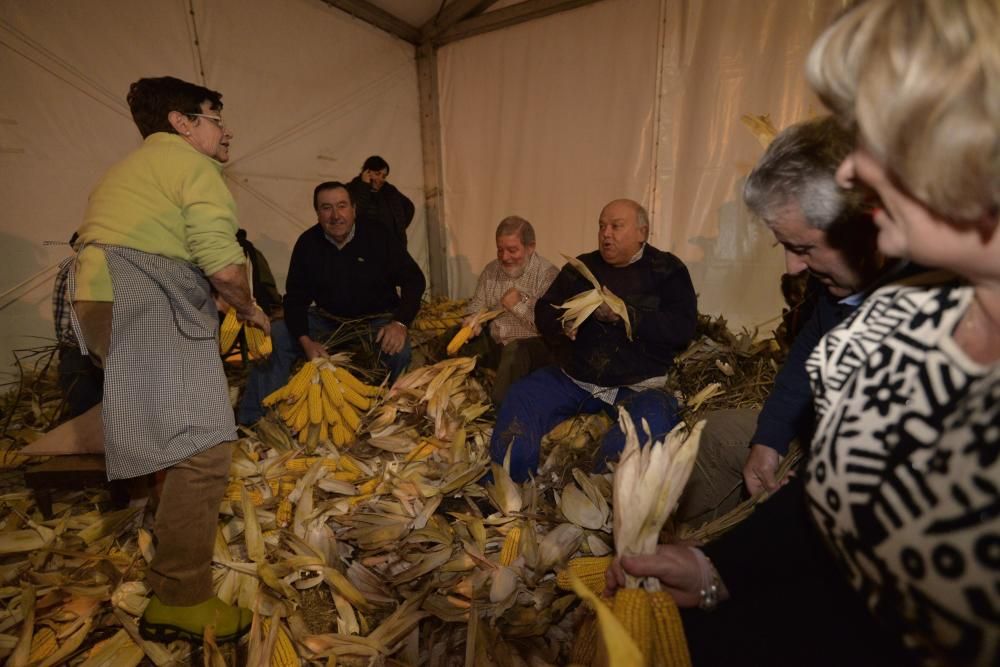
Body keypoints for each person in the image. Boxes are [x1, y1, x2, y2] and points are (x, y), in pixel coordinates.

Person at [609, 1, 1000, 665]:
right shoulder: (884, 328)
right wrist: (711, 571)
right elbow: (826, 517)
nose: (848, 172)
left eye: (874, 134)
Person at [69, 76, 267, 642]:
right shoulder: (192, 166)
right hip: (139, 306)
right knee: (207, 444)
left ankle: (170, 540)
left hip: (103, 298)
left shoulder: (130, 168)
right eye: (212, 116)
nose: (223, 130)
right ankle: (180, 595)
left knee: (175, 435)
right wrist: (250, 310)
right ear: (182, 123)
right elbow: (224, 267)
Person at [675, 116, 892, 525]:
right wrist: (768, 439)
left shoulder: (927, 305)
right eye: (785, 246)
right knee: (712, 434)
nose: (793, 268)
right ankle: (699, 537)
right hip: (827, 433)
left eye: (803, 246)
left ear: (863, 226)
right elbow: (804, 364)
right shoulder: (834, 292)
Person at [490, 198, 697, 482]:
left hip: (638, 385)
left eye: (616, 226)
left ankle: (598, 498)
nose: (606, 233)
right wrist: (564, 323)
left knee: (651, 425)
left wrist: (628, 316)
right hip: (576, 379)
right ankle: (510, 486)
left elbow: (682, 328)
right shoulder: (581, 268)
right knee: (522, 398)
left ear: (642, 232)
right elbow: (544, 310)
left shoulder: (667, 271)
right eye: (601, 226)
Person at [238, 181, 425, 425]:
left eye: (342, 206)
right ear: (317, 213)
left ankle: (394, 417)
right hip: (328, 320)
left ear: (354, 209)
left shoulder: (378, 235)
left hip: (376, 321)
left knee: (399, 351)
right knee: (279, 334)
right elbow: (295, 298)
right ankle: (252, 421)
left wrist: (400, 323)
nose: (336, 215)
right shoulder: (308, 244)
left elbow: (414, 280)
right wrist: (305, 341)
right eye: (326, 208)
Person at [461, 216, 559, 404]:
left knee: (515, 352)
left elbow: (551, 326)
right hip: (498, 342)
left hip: (531, 349)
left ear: (531, 247)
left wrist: (518, 305)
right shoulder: (491, 270)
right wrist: (472, 320)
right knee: (456, 337)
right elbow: (476, 304)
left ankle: (499, 407)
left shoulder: (548, 275)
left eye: (512, 250)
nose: (505, 257)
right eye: (500, 250)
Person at [347, 155, 415, 247]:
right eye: (377, 174)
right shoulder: (352, 188)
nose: (381, 179)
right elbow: (356, 211)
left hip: (390, 246)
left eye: (384, 176)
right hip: (364, 246)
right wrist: (364, 186)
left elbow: (409, 207)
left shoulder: (390, 190)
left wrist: (398, 229)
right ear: (367, 172)